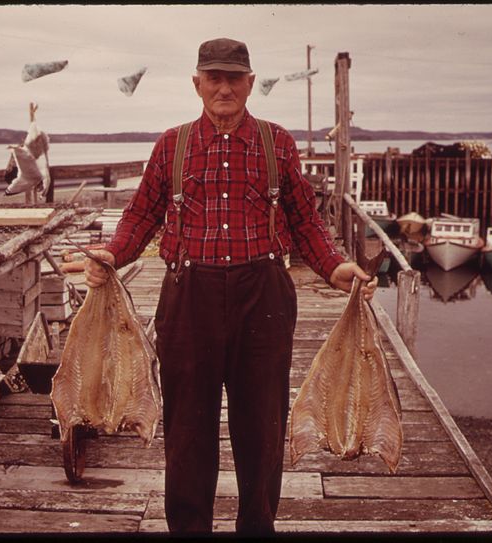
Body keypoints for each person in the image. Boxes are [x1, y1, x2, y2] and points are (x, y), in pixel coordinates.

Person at [84, 37, 378, 535]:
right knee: (187, 431)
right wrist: (112, 254)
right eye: (214, 77)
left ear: (250, 83)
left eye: (234, 78)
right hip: (187, 297)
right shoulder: (171, 145)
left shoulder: (276, 142)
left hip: (262, 295)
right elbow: (140, 216)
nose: (224, 87)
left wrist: (335, 268)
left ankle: (257, 526)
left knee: (262, 429)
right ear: (197, 83)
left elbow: (305, 221)